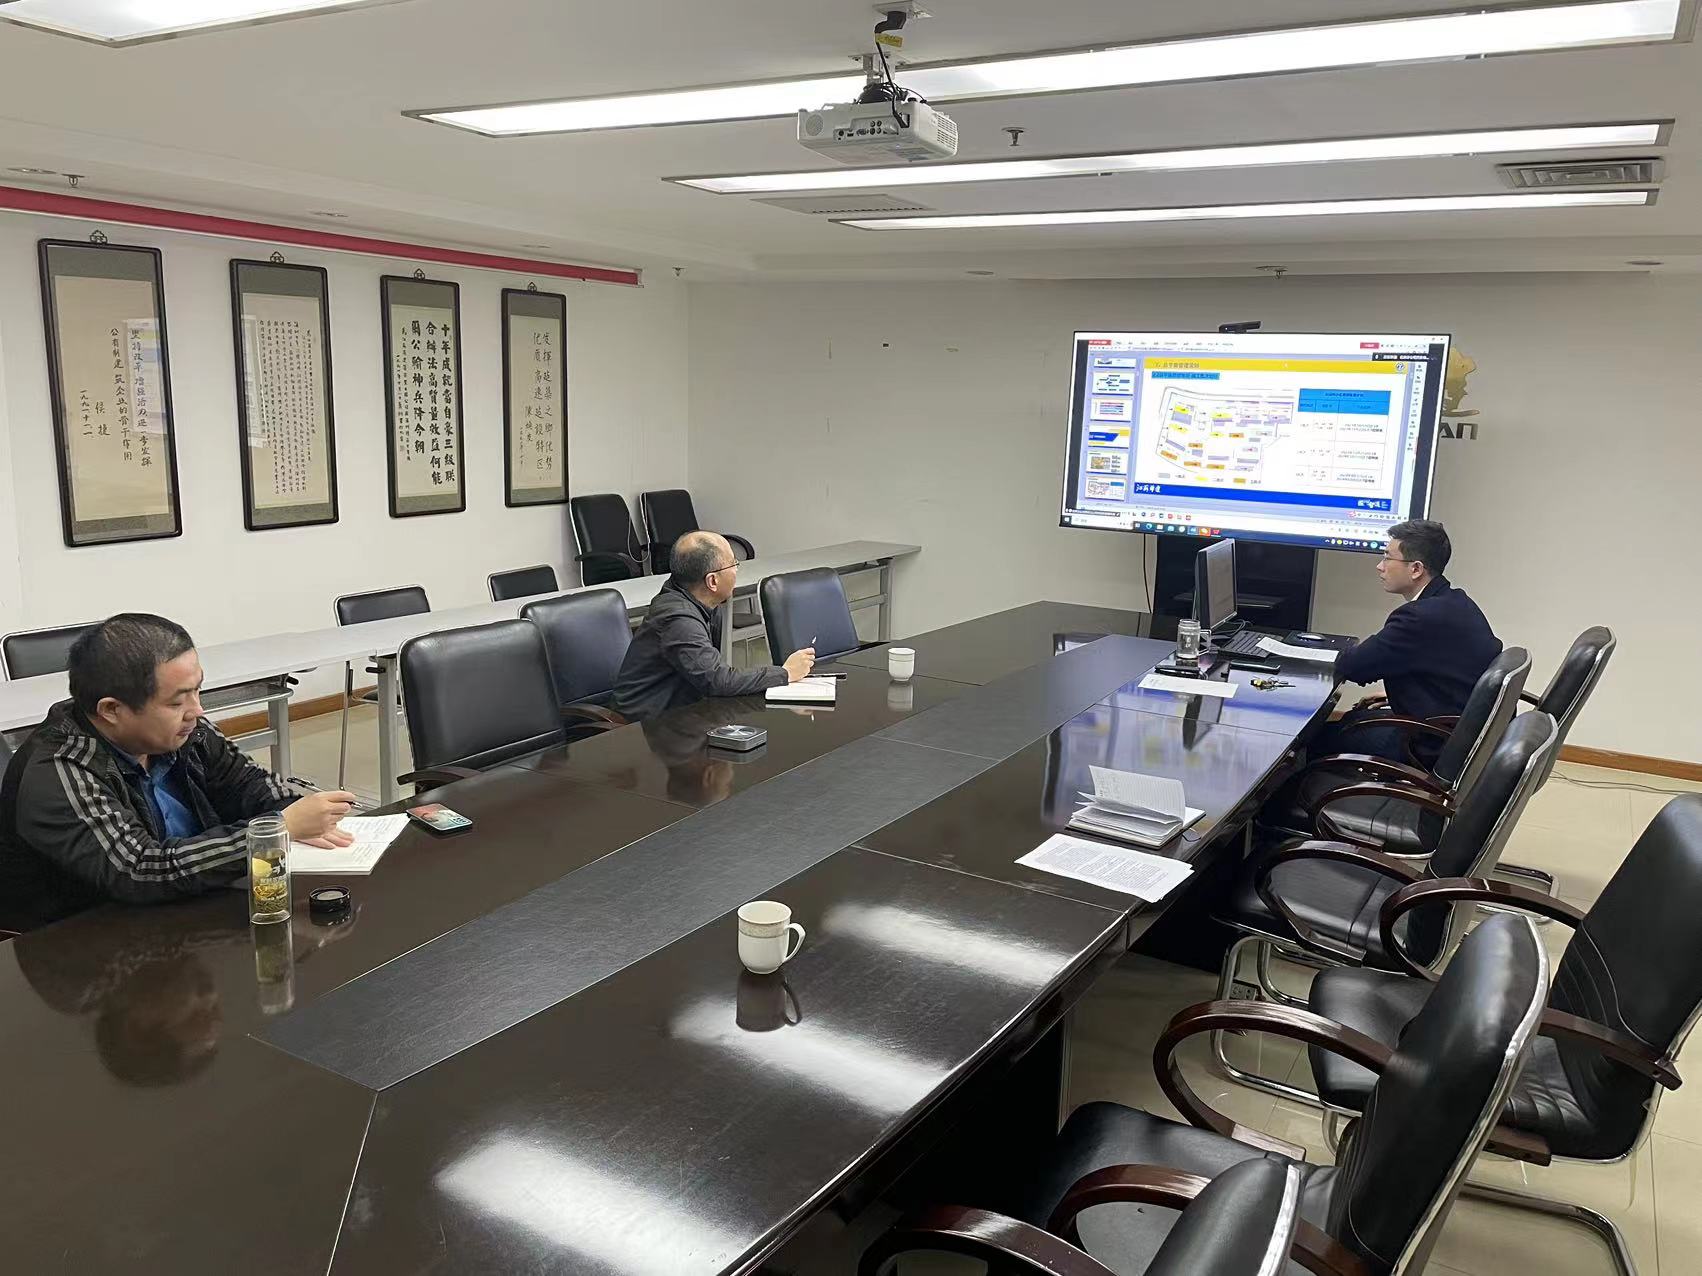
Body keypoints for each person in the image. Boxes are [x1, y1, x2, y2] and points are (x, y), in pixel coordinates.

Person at [0, 613, 357, 932]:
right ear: (111, 710)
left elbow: (248, 786)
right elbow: (139, 870)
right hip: (82, 941)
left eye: (197, 689)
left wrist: (301, 812)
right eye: (176, 701)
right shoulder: (58, 770)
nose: (197, 710)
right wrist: (274, 831)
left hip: (189, 907)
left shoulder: (186, 731)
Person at [1325, 519, 1503, 763]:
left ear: (1416, 569)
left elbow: (1353, 666)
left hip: (1432, 744)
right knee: (1350, 720)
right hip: (1459, 734)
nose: (1380, 566)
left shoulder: (1418, 618)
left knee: (1316, 739)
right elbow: (1448, 675)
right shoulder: (1456, 601)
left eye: (1387, 558)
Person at [613, 531, 816, 719]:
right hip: (645, 725)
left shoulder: (701, 600)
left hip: (683, 711)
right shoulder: (677, 618)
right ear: (712, 581)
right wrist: (785, 673)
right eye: (733, 564)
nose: (736, 570)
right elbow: (717, 680)